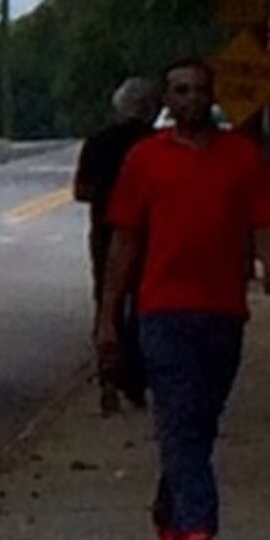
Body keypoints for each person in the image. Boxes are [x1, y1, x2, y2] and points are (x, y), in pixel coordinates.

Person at [98, 56, 270, 540]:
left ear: (212, 97)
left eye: (198, 90)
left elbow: (265, 219)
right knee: (180, 416)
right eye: (179, 91)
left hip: (223, 309)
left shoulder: (241, 157)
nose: (189, 99)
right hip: (161, 310)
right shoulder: (145, 159)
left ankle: (171, 506)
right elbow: (125, 240)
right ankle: (199, 525)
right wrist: (108, 316)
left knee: (201, 419)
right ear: (166, 100)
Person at [72, 76, 159, 410]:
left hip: (106, 232)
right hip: (150, 233)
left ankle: (108, 376)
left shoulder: (98, 142)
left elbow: (81, 191)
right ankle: (136, 377)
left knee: (107, 301)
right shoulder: (157, 145)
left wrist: (109, 197)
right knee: (143, 303)